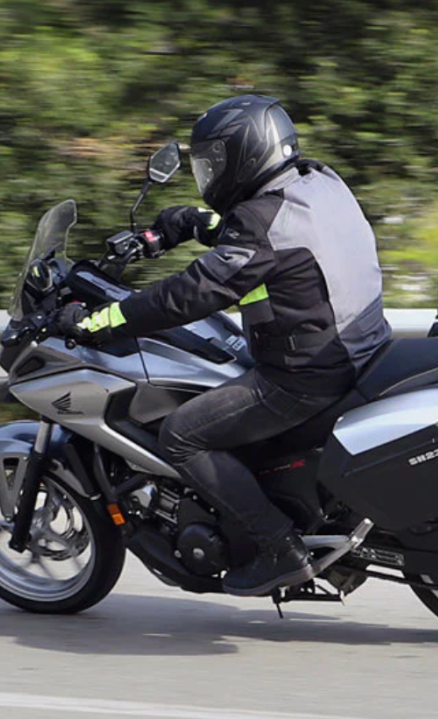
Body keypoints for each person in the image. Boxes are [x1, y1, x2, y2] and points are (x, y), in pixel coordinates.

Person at [61, 95, 391, 596]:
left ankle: (279, 548)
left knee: (181, 435)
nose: (210, 173)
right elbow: (270, 245)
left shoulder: (259, 222)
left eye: (214, 161)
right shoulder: (318, 182)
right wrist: (194, 223)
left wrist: (100, 322)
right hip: (359, 348)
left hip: (306, 375)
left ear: (245, 154)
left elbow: (191, 294)